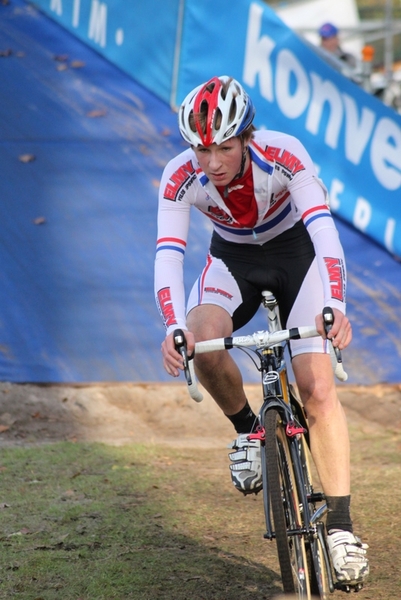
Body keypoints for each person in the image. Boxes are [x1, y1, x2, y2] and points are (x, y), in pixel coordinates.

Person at [154, 75, 369, 586]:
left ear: (248, 137)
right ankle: (249, 431)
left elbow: (323, 231)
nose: (211, 163)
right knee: (202, 341)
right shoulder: (178, 175)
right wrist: (172, 328)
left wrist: (335, 303)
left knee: (316, 387)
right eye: (201, 149)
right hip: (232, 261)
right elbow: (169, 254)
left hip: (299, 257)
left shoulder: (285, 153)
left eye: (224, 148)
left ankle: (340, 529)